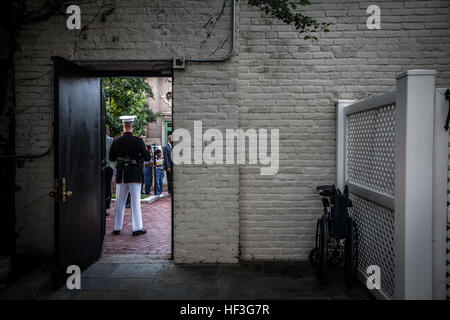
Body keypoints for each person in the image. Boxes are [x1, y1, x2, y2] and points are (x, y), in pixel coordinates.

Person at [109, 115, 150, 236]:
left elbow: (111, 157)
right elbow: (147, 157)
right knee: (135, 202)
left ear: (123, 125)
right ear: (132, 125)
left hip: (122, 174)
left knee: (119, 202)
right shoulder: (138, 141)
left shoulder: (116, 140)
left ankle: (117, 227)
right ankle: (137, 228)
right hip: (134, 174)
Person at [105, 125, 114, 216]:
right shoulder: (111, 140)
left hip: (100, 167)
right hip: (109, 167)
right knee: (108, 187)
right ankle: (106, 205)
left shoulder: (97, 139)